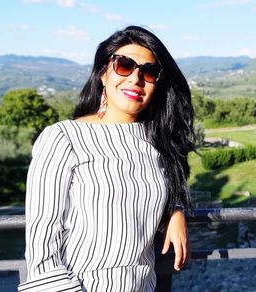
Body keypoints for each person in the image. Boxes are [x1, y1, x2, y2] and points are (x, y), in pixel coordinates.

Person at [18, 26, 195, 291]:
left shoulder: (157, 143)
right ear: (102, 73)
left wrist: (175, 208)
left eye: (149, 71)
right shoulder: (64, 138)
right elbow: (42, 252)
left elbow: (163, 183)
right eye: (124, 65)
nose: (136, 78)